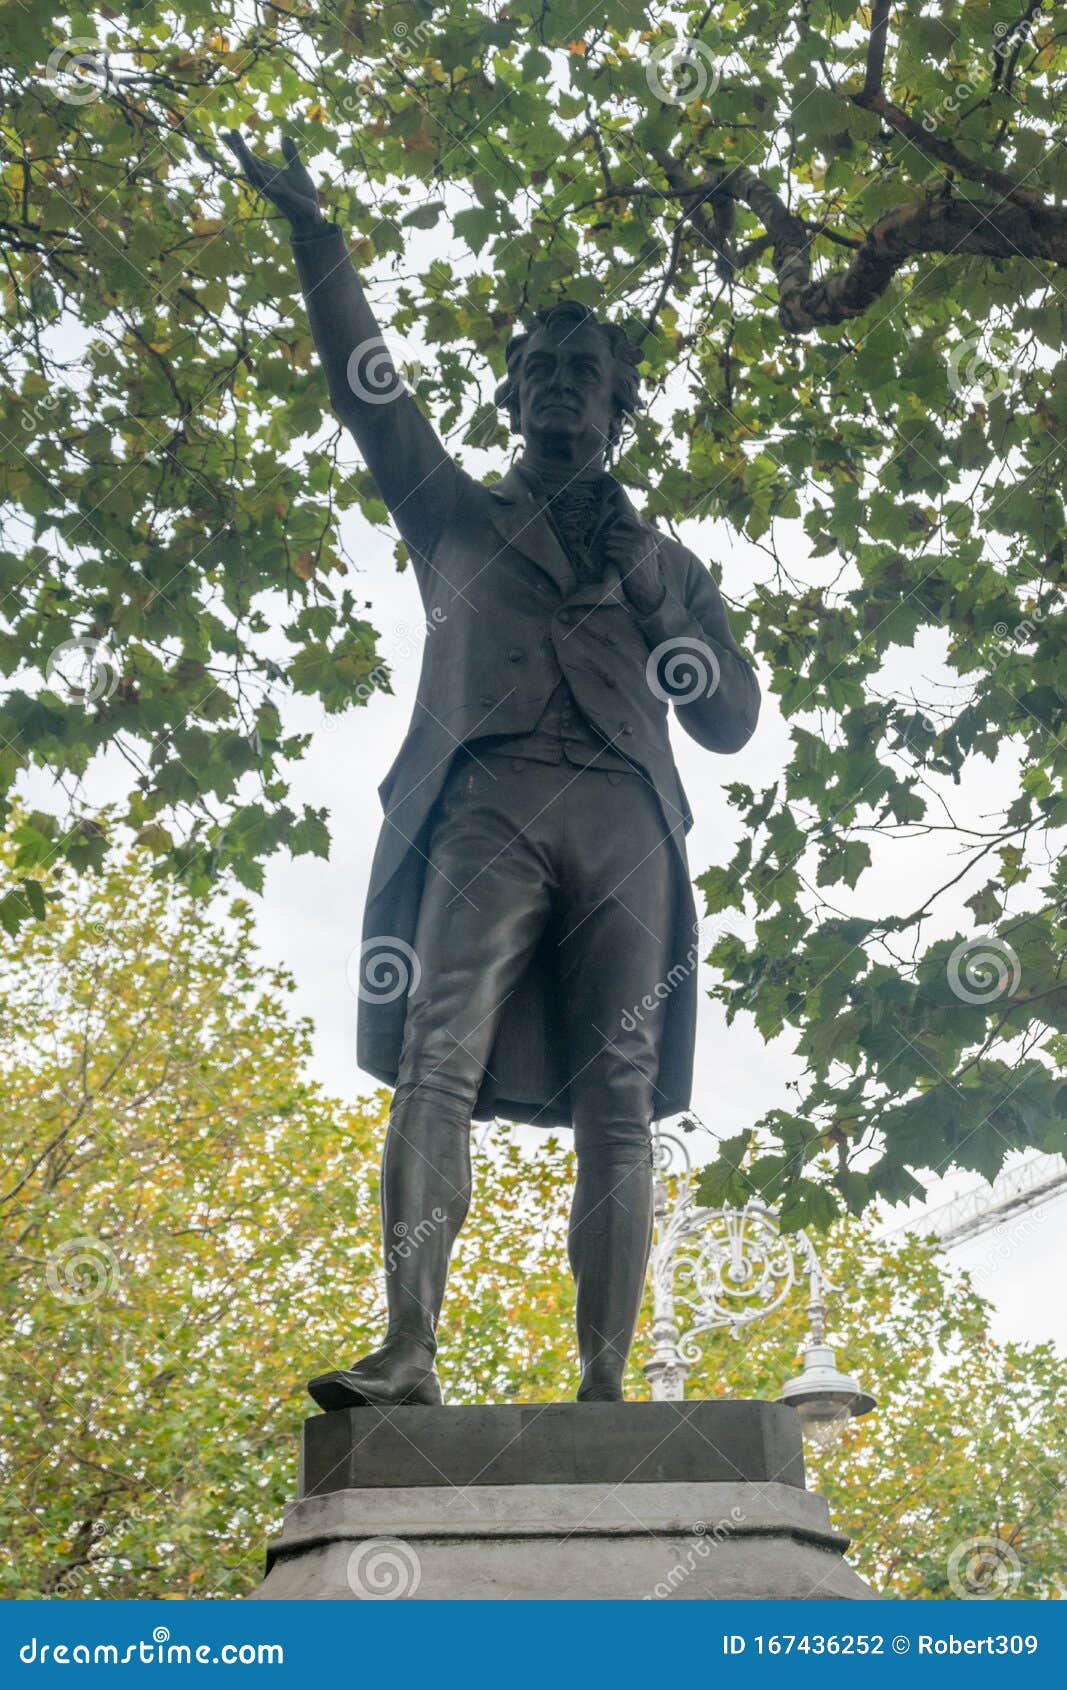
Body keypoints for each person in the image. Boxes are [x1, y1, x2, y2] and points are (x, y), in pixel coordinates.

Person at [224, 133, 760, 1406]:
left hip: (627, 814)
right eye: (541, 371)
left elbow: (730, 717)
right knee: (437, 1057)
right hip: (488, 801)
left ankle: (605, 1384)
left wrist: (650, 591)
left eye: (587, 370)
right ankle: (409, 1349)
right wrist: (318, 238)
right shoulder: (453, 512)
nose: (563, 384)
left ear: (620, 405)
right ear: (509, 398)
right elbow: (369, 393)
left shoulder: (667, 559)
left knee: (620, 1100)